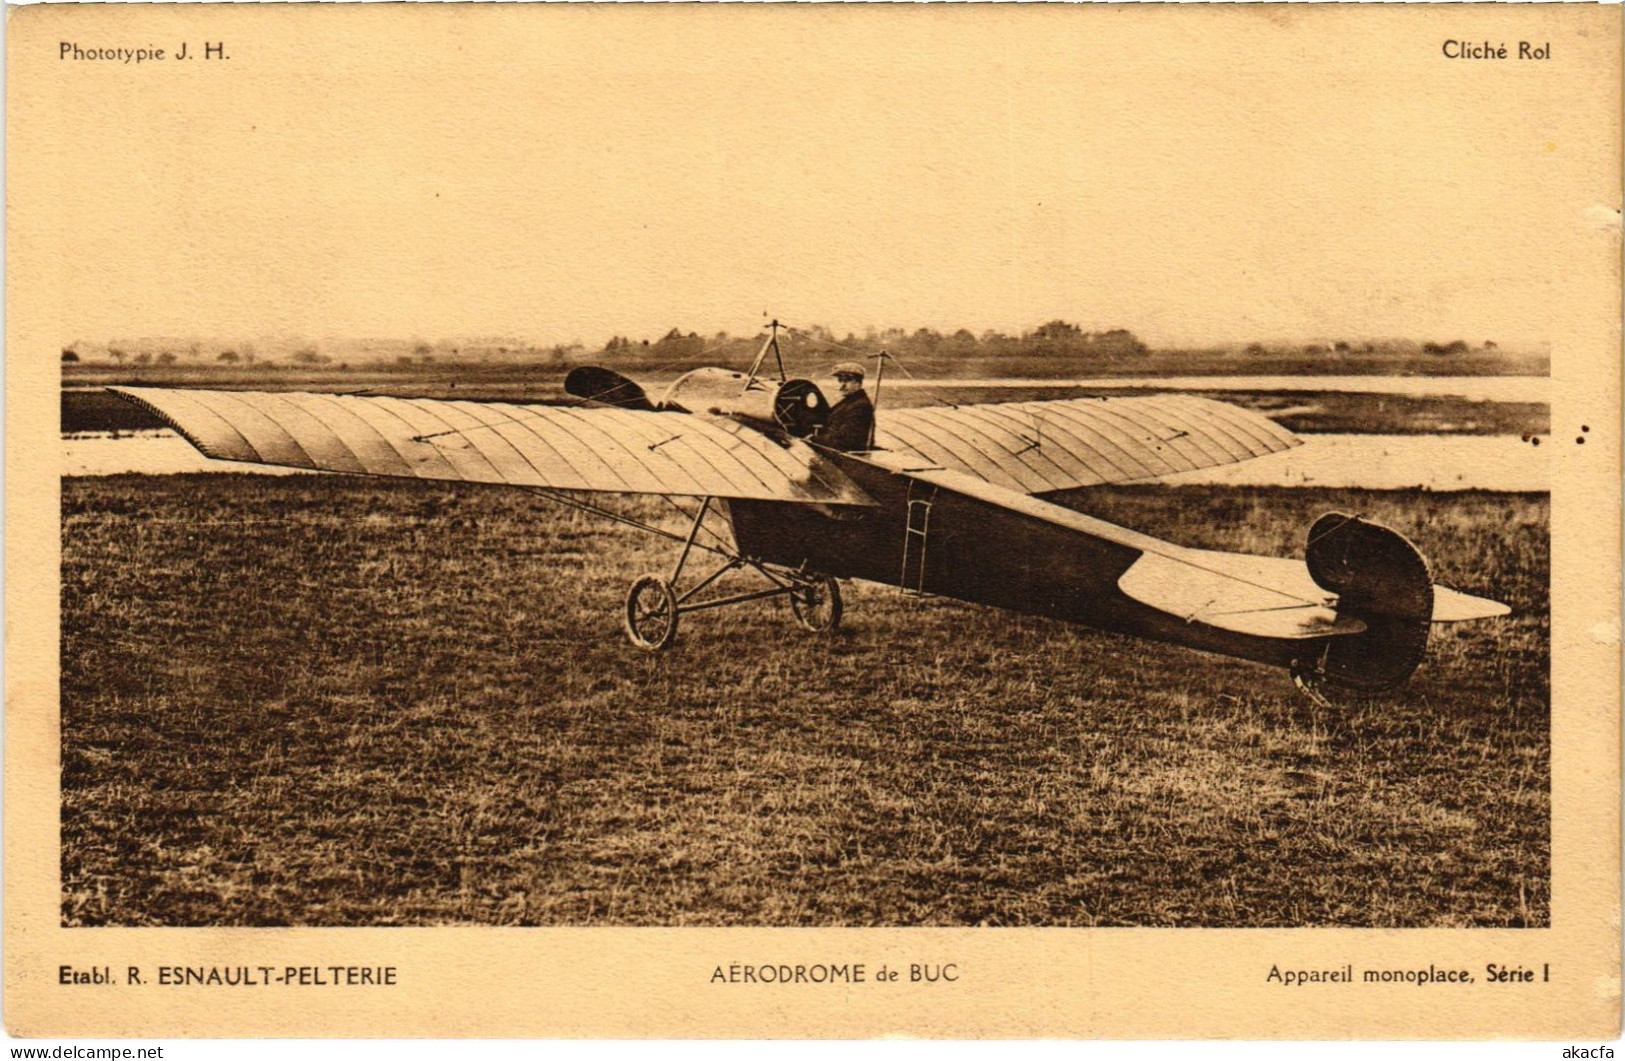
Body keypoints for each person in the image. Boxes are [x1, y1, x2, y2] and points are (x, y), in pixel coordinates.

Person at [810, 361, 874, 451]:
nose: (842, 386)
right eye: (840, 380)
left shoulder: (860, 406)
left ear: (858, 383)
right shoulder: (848, 402)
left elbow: (845, 443)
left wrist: (813, 439)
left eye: (847, 380)